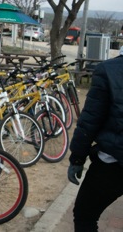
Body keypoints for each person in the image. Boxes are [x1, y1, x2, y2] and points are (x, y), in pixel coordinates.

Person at [67, 47, 123, 231]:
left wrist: (77, 157)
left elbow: (91, 118)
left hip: (113, 162)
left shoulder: (109, 69)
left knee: (85, 216)